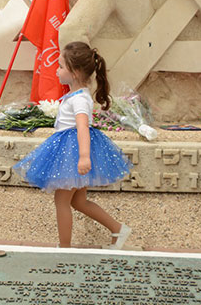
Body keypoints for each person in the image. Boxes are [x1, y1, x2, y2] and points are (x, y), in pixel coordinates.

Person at [13, 42, 132, 249]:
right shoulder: (76, 95)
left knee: (62, 201)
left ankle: (64, 247)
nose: (56, 70)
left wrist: (84, 156)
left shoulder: (80, 99)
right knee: (78, 202)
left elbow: (83, 128)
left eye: (60, 66)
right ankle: (118, 229)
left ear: (75, 72)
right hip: (71, 151)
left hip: (73, 153)